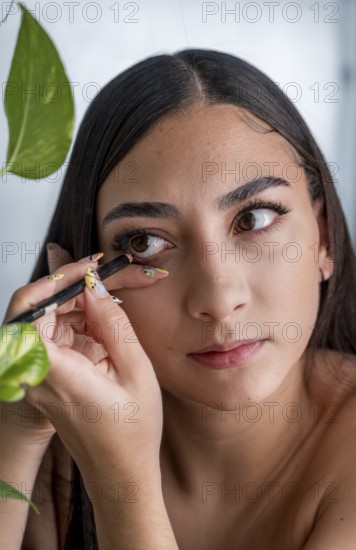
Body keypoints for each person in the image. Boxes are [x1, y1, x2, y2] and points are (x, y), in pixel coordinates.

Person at [1, 48, 356, 550]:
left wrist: (121, 482)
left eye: (253, 219)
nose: (218, 298)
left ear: (324, 239)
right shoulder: (56, 447)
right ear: (88, 275)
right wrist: (16, 425)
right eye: (144, 242)